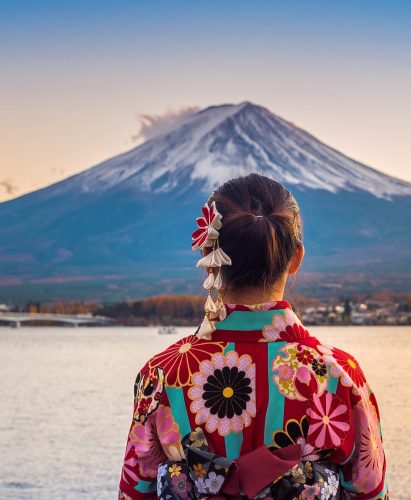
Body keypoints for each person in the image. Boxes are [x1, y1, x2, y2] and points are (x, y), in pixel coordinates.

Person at [118, 174, 388, 500]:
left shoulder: (162, 375)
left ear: (208, 259)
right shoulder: (339, 376)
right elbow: (371, 492)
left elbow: (135, 492)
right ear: (296, 258)